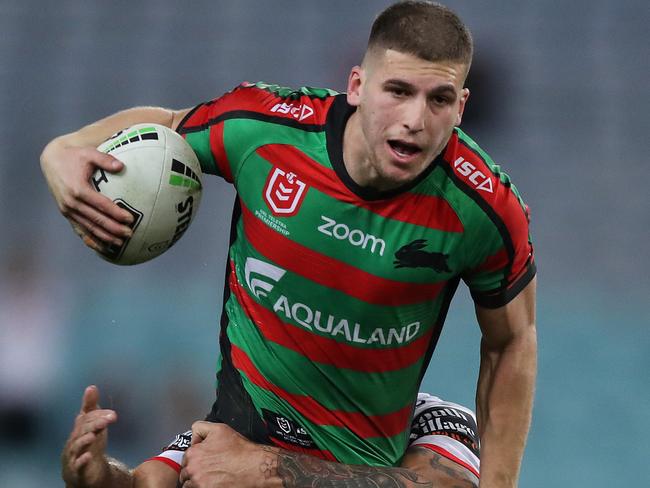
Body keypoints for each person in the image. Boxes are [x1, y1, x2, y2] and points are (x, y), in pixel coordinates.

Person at [41, 2, 537, 486]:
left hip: (379, 449)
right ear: (357, 86)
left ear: (461, 107)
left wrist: (269, 470)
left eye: (439, 99)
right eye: (398, 90)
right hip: (246, 426)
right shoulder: (266, 131)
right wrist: (61, 150)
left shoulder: (484, 208)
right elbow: (167, 126)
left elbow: (512, 340)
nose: (415, 119)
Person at [62, 385, 480, 487]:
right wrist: (98, 476)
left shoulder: (433, 418)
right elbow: (145, 483)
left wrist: (269, 468)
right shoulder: (242, 425)